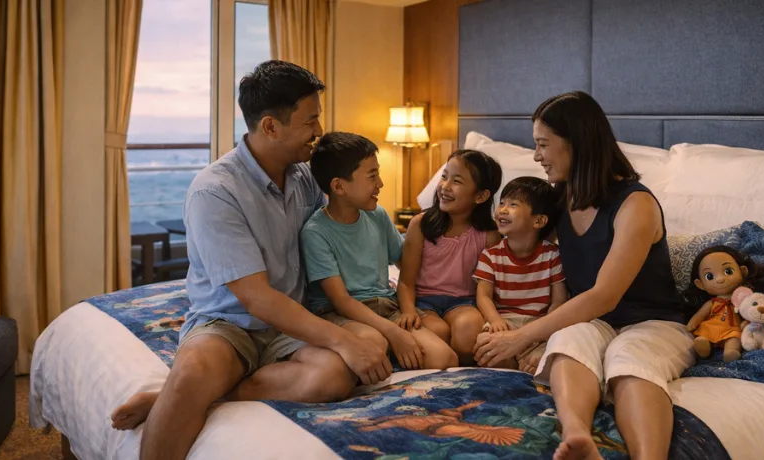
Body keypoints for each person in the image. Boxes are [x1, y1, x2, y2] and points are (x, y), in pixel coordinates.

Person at [110, 61, 392, 460]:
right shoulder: (215, 191)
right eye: (310, 121)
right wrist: (343, 339)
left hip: (292, 321)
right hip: (228, 323)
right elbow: (256, 298)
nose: (319, 130)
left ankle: (190, 398)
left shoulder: (305, 178)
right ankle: (189, 392)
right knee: (192, 373)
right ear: (271, 127)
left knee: (333, 375)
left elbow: (341, 221)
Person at [473, 91, 693, 460]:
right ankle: (577, 438)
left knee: (629, 357)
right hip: (592, 321)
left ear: (577, 142)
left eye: (543, 144)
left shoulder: (635, 204)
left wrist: (522, 337)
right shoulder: (561, 200)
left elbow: (604, 295)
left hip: (652, 321)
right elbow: (520, 244)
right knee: (568, 343)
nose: (536, 156)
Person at [301, 132, 459, 371]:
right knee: (375, 341)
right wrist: (394, 332)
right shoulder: (315, 232)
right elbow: (341, 301)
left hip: (386, 306)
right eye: (372, 176)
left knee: (444, 359)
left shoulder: (377, 215)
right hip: (342, 313)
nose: (381, 183)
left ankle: (395, 358)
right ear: (339, 186)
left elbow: (406, 264)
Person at [396, 149, 503, 365]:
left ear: (480, 196)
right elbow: (406, 281)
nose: (445, 186)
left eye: (457, 181)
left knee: (468, 332)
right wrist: (408, 311)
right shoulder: (420, 224)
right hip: (424, 302)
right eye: (444, 177)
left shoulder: (489, 235)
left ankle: (464, 375)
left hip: (464, 302)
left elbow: (489, 286)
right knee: (438, 331)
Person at [473, 176, 569, 373]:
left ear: (539, 220)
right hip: (505, 322)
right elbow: (483, 296)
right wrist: (495, 320)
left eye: (513, 204)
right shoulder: (491, 255)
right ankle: (512, 364)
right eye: (502, 203)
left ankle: (529, 362)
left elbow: (559, 301)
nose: (503, 209)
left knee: (555, 350)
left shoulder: (552, 255)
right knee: (484, 343)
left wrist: (546, 328)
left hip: (539, 324)